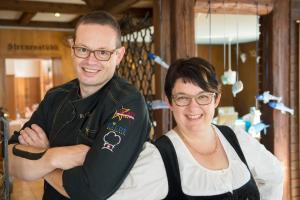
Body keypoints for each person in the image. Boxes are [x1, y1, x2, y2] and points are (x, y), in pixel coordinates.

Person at [8, 11, 151, 200]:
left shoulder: (127, 104)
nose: (90, 61)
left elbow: (90, 191)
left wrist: (40, 162)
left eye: (102, 52)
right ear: (72, 48)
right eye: (83, 49)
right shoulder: (55, 97)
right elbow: (10, 158)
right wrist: (53, 156)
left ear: (118, 55)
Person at [108, 57, 283, 199]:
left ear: (216, 100)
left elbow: (274, 175)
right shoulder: (158, 157)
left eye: (203, 97)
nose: (193, 107)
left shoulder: (236, 138)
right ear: (169, 102)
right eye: (183, 98)